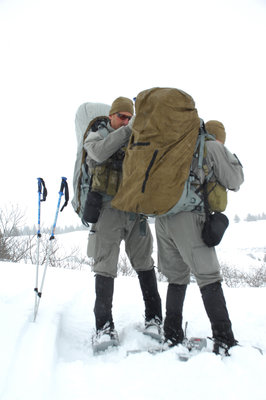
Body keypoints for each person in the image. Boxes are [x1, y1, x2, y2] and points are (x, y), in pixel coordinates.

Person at [155, 119, 244, 354]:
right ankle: (224, 339)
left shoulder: (178, 146)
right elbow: (235, 180)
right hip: (188, 217)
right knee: (209, 277)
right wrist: (225, 153)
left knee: (177, 277)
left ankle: (172, 334)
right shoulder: (212, 147)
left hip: (163, 218)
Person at [83, 96, 162, 348]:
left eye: (130, 117)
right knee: (105, 266)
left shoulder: (138, 136)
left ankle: (154, 319)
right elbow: (97, 153)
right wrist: (130, 129)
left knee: (145, 264)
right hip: (107, 209)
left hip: (134, 210)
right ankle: (104, 328)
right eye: (122, 117)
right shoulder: (96, 135)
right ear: (111, 116)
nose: (126, 121)